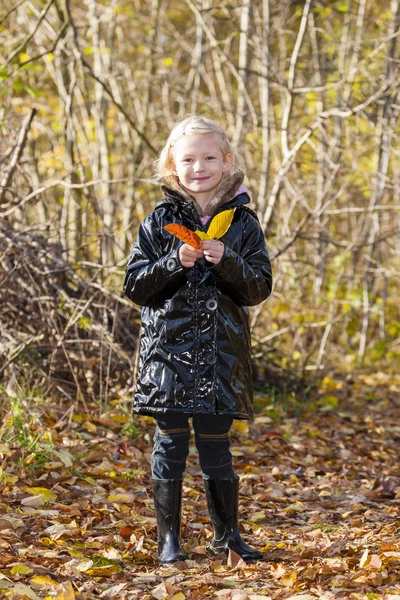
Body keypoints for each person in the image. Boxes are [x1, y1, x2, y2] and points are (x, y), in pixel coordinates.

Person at [123, 115, 273, 565]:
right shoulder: (158, 222)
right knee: (169, 443)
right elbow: (134, 286)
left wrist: (227, 260)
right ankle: (169, 539)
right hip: (166, 355)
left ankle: (227, 537)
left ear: (226, 162)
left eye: (209, 157)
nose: (199, 167)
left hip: (220, 357)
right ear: (173, 165)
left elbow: (258, 288)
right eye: (189, 159)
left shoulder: (242, 224)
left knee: (215, 444)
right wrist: (173, 262)